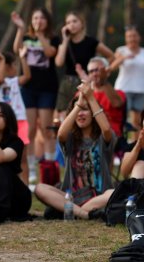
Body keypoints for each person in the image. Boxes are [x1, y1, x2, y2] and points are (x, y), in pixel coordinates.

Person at [34, 82, 116, 219]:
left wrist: (91, 98)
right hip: (71, 197)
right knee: (39, 188)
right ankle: (84, 214)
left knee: (114, 193)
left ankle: (72, 211)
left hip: (99, 197)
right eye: (78, 110)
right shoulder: (70, 139)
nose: (80, 114)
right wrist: (78, 104)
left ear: (94, 113)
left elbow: (106, 129)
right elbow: (60, 134)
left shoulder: (102, 138)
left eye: (85, 110)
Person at [11, 8, 59, 182]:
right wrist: (20, 28)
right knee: (29, 130)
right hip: (28, 89)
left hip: (47, 88)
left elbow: (50, 53)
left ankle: (50, 167)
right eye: (35, 17)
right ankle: (31, 169)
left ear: (47, 21)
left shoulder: (53, 38)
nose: (39, 21)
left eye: (42, 18)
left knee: (47, 129)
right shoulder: (26, 37)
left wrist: (40, 35)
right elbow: (17, 48)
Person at [0, 47, 31, 185]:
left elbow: (27, 77)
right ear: (5, 66)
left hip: (20, 121)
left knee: (22, 157)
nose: (16, 68)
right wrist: (2, 59)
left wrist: (23, 57)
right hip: (4, 123)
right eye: (14, 65)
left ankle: (25, 186)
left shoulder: (14, 81)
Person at [54, 11, 114, 119]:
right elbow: (59, 63)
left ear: (82, 23)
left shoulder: (91, 42)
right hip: (67, 82)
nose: (71, 24)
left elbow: (111, 56)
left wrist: (100, 71)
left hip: (85, 81)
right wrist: (65, 40)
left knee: (84, 113)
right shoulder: (64, 43)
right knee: (63, 115)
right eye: (68, 22)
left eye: (74, 21)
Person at [110, 25, 144, 138]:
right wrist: (122, 58)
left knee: (139, 121)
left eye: (134, 36)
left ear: (139, 37)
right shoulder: (121, 50)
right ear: (126, 38)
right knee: (123, 118)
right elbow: (112, 67)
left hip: (141, 89)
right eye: (129, 36)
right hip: (124, 89)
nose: (132, 39)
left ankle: (136, 144)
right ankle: (121, 142)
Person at [75, 56, 126, 137]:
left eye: (97, 70)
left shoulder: (119, 93)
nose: (94, 74)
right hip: (88, 135)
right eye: (91, 71)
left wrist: (103, 82)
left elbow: (117, 103)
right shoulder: (82, 93)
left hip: (111, 135)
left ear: (107, 72)